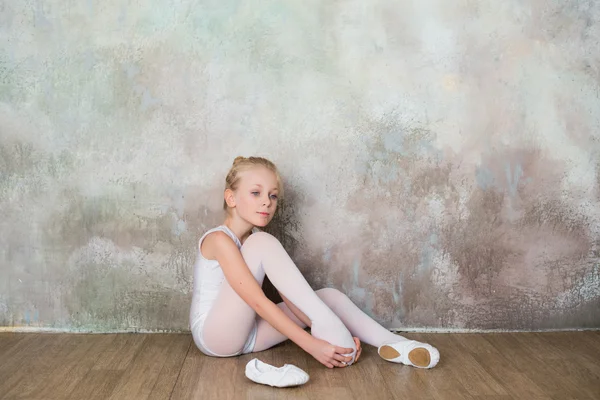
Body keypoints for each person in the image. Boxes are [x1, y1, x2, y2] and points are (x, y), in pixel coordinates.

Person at [189, 156, 440, 369]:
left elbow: (289, 295)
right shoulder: (220, 240)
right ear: (231, 198)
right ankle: (332, 336)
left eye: (273, 196)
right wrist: (311, 344)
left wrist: (328, 330)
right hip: (216, 337)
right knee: (262, 242)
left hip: (250, 333)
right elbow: (256, 300)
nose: (267, 201)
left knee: (329, 297)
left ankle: (395, 344)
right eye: (255, 193)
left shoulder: (255, 241)